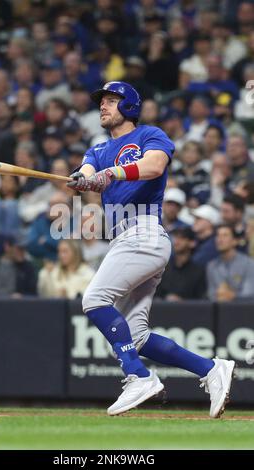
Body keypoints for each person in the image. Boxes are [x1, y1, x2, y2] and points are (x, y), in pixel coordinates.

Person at [67, 81, 235, 418]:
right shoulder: (97, 150)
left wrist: (111, 173)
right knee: (138, 334)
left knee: (95, 300)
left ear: (129, 106)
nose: (103, 106)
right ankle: (210, 368)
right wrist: (82, 179)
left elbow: (155, 166)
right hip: (125, 239)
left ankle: (138, 375)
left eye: (111, 101)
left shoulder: (149, 135)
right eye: (102, 102)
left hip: (143, 233)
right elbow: (88, 170)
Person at [207, 224, 254, 301]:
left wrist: (232, 295)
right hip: (219, 309)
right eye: (218, 235)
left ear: (234, 241)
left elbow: (250, 293)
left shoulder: (249, 264)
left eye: (225, 235)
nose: (220, 239)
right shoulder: (211, 265)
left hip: (245, 310)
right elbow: (211, 293)